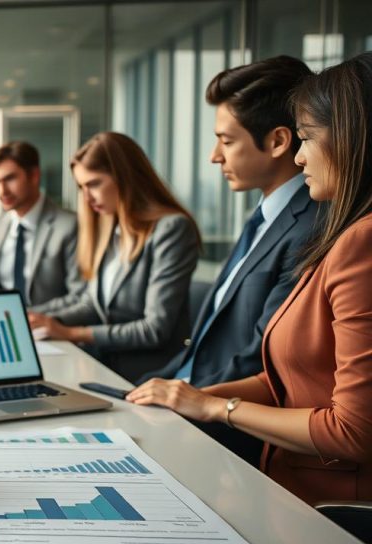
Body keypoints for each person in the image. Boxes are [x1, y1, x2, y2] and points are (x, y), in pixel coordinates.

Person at [128, 52, 372, 505]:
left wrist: (215, 407)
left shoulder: (356, 240)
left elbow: (351, 429)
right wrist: (191, 397)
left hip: (321, 507)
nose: (301, 158)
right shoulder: (336, 230)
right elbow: (284, 374)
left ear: (353, 141)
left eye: (309, 139)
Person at [139, 56, 319, 467]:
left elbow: (266, 357)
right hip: (190, 404)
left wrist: (183, 397)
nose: (214, 157)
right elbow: (203, 346)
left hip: (228, 434)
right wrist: (148, 389)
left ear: (277, 142)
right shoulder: (265, 217)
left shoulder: (309, 226)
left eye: (227, 140)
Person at [28, 132, 200, 382]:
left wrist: (72, 333)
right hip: (103, 366)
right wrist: (31, 316)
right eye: (81, 187)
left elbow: (154, 329)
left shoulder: (171, 229)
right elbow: (90, 303)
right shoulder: (111, 231)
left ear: (124, 177)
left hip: (148, 375)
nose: (86, 198)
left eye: (94, 184)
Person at [0, 141, 82, 307]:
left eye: (10, 178)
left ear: (34, 176)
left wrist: (29, 318)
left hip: (50, 327)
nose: (2, 190)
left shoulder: (70, 225)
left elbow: (78, 296)